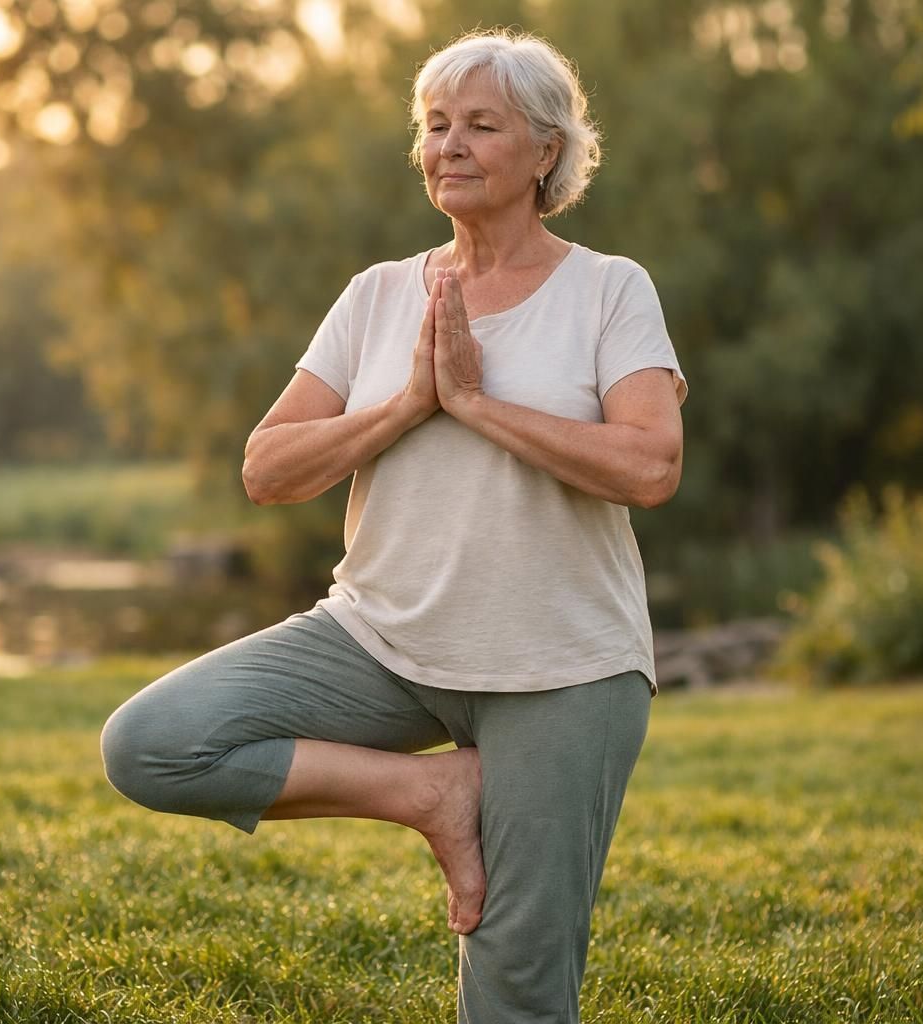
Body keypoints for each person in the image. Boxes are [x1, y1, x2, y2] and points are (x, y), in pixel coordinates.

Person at [101, 27, 688, 1024]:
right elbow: (267, 467)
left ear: (546, 151)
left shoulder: (608, 289)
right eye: (435, 124)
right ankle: (432, 795)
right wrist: (408, 405)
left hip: (561, 665)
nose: (449, 145)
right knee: (154, 742)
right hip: (378, 640)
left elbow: (651, 465)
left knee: (515, 993)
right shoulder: (376, 295)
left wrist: (480, 405)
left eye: (481, 126)